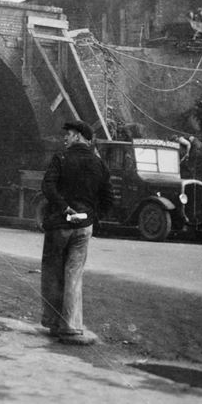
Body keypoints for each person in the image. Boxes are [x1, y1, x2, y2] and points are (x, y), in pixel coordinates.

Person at [40, 120, 114, 345]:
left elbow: (48, 187)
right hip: (84, 227)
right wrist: (93, 217)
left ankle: (53, 322)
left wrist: (64, 208)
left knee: (53, 271)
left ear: (80, 137)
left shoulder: (61, 159)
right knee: (74, 274)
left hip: (60, 224)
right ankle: (71, 327)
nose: (66, 138)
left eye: (69, 134)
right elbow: (108, 197)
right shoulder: (99, 164)